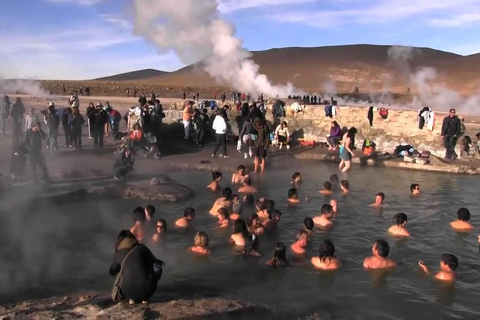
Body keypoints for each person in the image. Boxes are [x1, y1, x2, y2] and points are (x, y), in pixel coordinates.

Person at [109, 230, 164, 304]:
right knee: (156, 268)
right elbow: (155, 262)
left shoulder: (118, 253)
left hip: (127, 291)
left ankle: (132, 299)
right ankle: (145, 298)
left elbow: (112, 272)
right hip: (147, 289)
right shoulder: (142, 248)